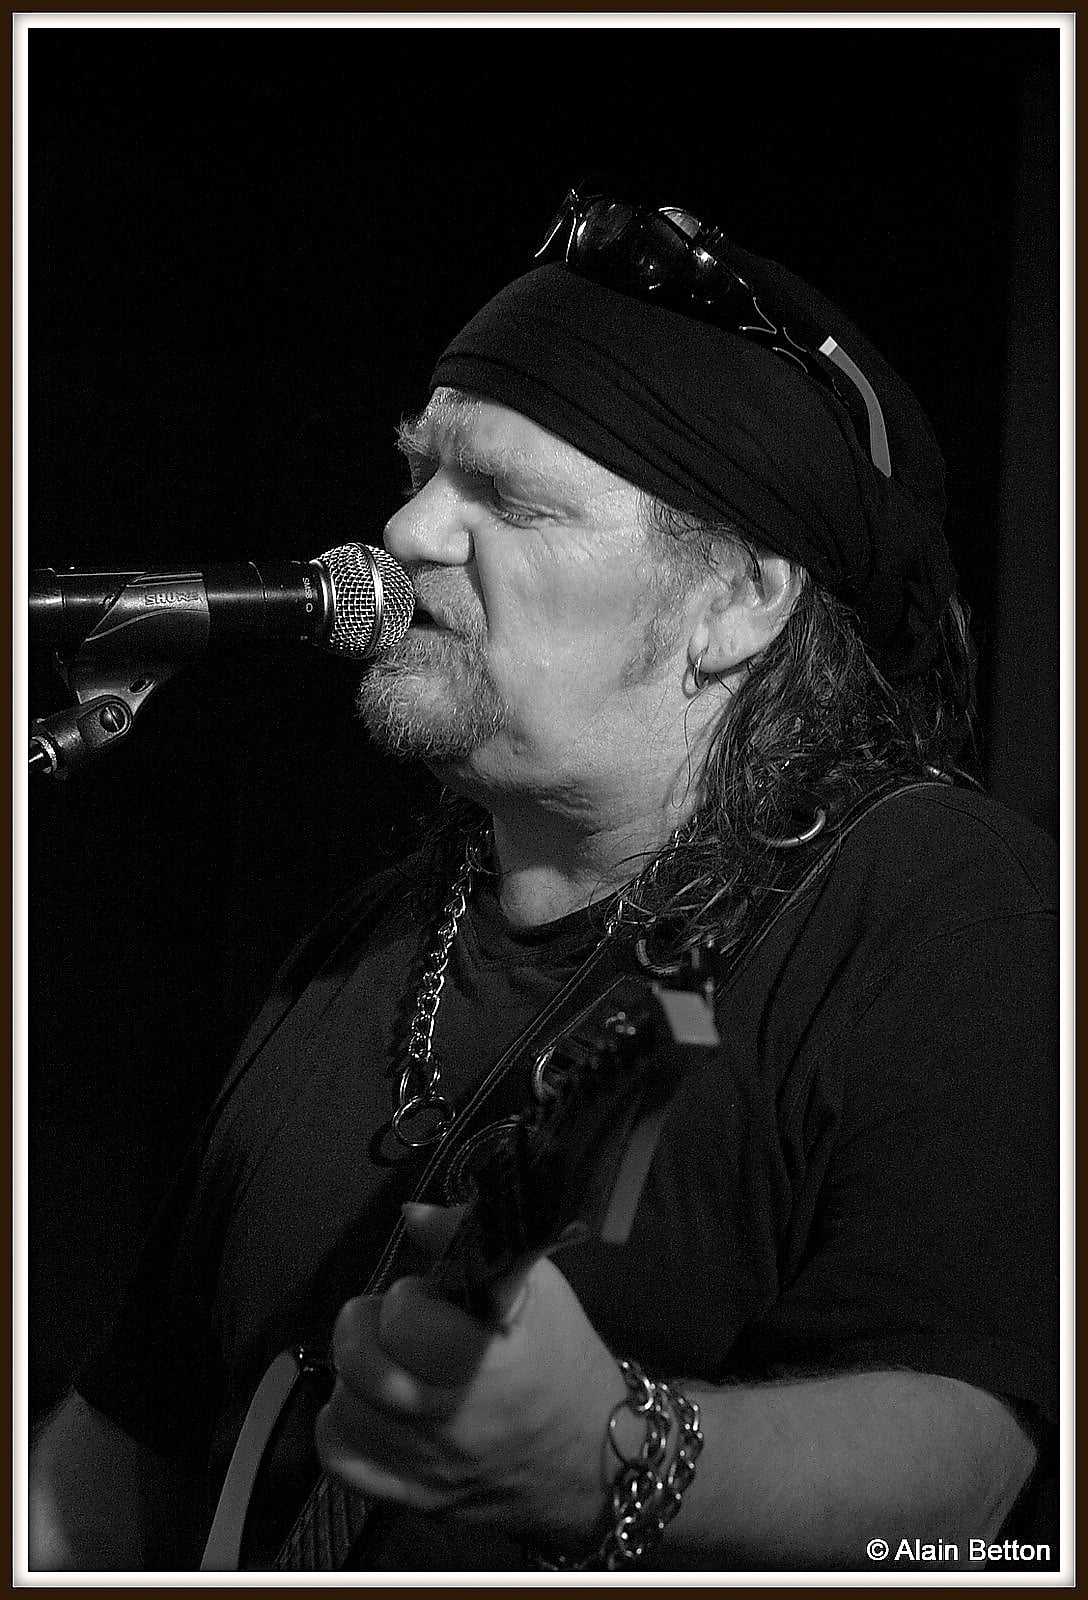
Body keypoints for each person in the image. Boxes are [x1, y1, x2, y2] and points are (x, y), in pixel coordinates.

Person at [29, 183, 1058, 1572]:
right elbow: (129, 1442)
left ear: (736, 600)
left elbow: (963, 1482)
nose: (408, 534)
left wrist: (614, 1454)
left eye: (506, 497)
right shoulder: (368, 944)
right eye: (421, 474)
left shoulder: (942, 899)